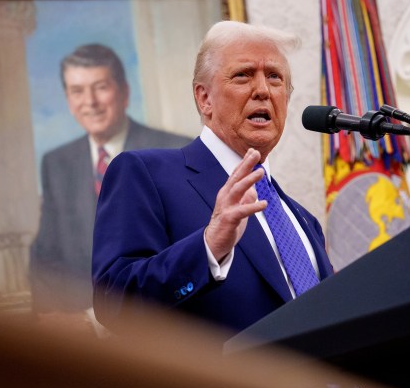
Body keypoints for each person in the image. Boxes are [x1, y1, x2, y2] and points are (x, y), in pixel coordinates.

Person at [92, 21, 333, 336]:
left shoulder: (303, 220)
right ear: (204, 98)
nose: (262, 90)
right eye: (243, 75)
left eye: (275, 77)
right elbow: (114, 303)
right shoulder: (145, 173)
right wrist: (207, 248)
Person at [29, 43, 191, 324]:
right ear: (68, 99)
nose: (90, 102)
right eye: (77, 91)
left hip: (162, 335)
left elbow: (189, 259)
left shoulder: (175, 152)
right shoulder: (57, 163)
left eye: (101, 86)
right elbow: (45, 257)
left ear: (124, 92)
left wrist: (93, 323)